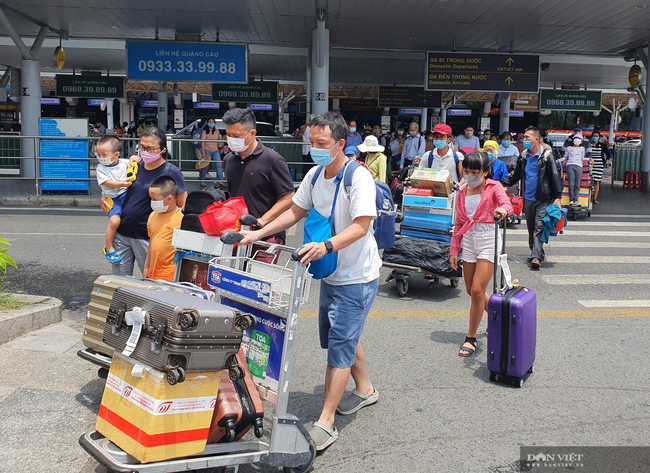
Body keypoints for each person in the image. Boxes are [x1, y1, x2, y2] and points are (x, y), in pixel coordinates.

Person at [239, 111, 381, 452]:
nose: (315, 149)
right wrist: (256, 234)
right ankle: (365, 390)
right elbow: (295, 211)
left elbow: (362, 225)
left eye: (322, 144)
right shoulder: (317, 174)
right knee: (342, 334)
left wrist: (326, 245)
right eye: (312, 142)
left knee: (340, 346)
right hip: (330, 272)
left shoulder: (357, 177)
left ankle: (326, 422)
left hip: (356, 277)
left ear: (341, 144)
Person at [100, 127, 187, 276]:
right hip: (122, 233)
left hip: (147, 236)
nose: (145, 151)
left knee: (150, 280)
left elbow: (182, 205)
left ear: (163, 149)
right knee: (120, 283)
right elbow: (116, 187)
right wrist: (103, 196)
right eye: (142, 147)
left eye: (150, 148)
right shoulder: (133, 167)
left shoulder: (170, 172)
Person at [450, 152, 513, 357]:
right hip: (468, 238)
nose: (469, 175)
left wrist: (503, 210)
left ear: (485, 173)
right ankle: (498, 317)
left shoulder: (493, 186)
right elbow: (459, 222)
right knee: (470, 289)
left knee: (478, 290)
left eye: (474, 172)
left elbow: (507, 204)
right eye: (466, 171)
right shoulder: (461, 191)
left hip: (488, 238)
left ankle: (471, 338)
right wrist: (454, 250)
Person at [222, 108, 295, 244]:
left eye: (236, 136)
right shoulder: (228, 160)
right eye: (228, 135)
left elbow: (289, 196)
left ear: (252, 133)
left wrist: (262, 221)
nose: (231, 139)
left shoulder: (272, 160)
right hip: (237, 234)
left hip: (267, 236)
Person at [503, 127, 563, 269]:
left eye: (528, 137)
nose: (525, 140)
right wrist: (504, 185)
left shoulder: (546, 155)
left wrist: (558, 197)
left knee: (539, 226)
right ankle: (537, 252)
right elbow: (516, 174)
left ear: (537, 139)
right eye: (524, 137)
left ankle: (536, 257)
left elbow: (555, 176)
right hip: (528, 198)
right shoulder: (523, 155)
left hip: (543, 197)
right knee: (531, 228)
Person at [95, 135, 131, 264]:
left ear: (116, 154)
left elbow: (134, 163)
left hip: (126, 194)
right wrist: (121, 184)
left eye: (104, 154)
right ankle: (109, 247)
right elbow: (107, 183)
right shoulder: (101, 168)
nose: (101, 158)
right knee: (114, 222)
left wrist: (133, 158)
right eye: (99, 154)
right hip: (113, 198)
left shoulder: (123, 163)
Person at [143, 176, 184, 281]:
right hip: (153, 275)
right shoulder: (153, 215)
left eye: (154, 199)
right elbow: (151, 243)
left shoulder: (182, 218)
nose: (152, 202)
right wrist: (146, 268)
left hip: (171, 276)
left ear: (169, 199)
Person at [559, 133, 592, 206]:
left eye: (579, 139)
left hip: (579, 166)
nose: (577, 140)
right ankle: (571, 200)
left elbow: (582, 158)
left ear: (581, 141)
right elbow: (565, 157)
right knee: (571, 184)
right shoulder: (568, 148)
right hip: (570, 166)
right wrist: (558, 160)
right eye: (575, 138)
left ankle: (576, 200)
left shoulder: (582, 149)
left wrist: (589, 159)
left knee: (577, 184)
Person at [199, 117, 222, 187]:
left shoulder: (217, 131)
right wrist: (203, 152)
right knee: (204, 166)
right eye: (210, 122)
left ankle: (220, 181)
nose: (211, 123)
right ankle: (202, 180)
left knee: (219, 165)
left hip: (215, 150)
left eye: (213, 122)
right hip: (207, 150)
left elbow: (219, 140)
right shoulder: (204, 131)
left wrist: (221, 148)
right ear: (207, 123)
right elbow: (203, 142)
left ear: (215, 123)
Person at [590, 131, 606, 204]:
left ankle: (595, 198)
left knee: (597, 181)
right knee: (590, 180)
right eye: (594, 136)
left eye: (596, 136)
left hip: (599, 165)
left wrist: (607, 161)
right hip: (590, 165)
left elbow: (607, 154)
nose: (595, 137)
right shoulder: (588, 145)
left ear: (599, 137)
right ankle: (590, 195)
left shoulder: (602, 145)